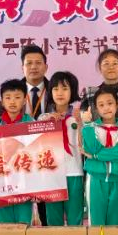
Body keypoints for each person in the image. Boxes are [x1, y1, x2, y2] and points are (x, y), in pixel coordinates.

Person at [39, 71, 86, 226]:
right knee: (53, 219)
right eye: (56, 89)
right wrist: (47, 123)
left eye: (65, 88)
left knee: (75, 217)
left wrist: (81, 123)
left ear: (72, 91)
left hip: (74, 172)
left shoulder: (80, 117)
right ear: (50, 92)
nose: (60, 93)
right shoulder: (43, 118)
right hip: (51, 174)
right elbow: (38, 147)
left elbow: (85, 145)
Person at [82, 89, 118, 226]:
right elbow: (90, 148)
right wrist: (87, 124)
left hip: (117, 180)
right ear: (96, 109)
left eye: (110, 103)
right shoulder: (91, 128)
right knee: (96, 222)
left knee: (116, 223)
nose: (106, 108)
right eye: (101, 105)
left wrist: (96, 155)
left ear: (117, 105)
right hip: (95, 179)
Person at [0, 79, 37, 224]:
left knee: (24, 225)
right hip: (1, 183)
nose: (12, 101)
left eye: (17, 97)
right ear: (2, 101)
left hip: (24, 182)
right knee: (4, 226)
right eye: (8, 97)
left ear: (24, 100)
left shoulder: (32, 123)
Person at [0, 44, 51, 118]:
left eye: (38, 63)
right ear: (22, 68)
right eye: (29, 63)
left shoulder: (54, 89)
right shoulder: (14, 89)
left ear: (46, 67)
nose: (33, 67)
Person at [79, 49, 118, 128]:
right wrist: (82, 118)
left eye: (115, 63)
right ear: (100, 67)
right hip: (97, 135)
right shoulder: (89, 93)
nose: (111, 67)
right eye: (106, 64)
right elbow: (82, 116)